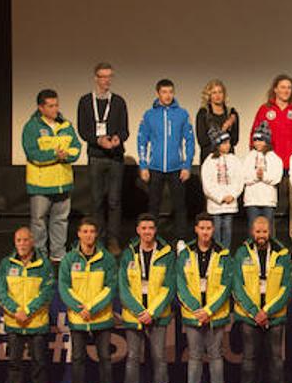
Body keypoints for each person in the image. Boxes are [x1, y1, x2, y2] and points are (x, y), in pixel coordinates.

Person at [117, 214, 175, 383]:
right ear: (138, 230)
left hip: (157, 315)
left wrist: (152, 312)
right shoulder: (128, 253)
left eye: (151, 228)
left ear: (155, 230)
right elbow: (123, 286)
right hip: (134, 315)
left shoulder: (166, 253)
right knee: (133, 357)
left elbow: (169, 287)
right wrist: (139, 310)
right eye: (144, 228)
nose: (147, 231)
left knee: (158, 357)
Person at [232, 216, 292, 383]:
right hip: (250, 316)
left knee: (276, 359)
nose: (261, 236)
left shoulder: (282, 253)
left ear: (270, 232)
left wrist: (267, 311)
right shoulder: (242, 252)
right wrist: (254, 311)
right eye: (258, 232)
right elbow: (237, 285)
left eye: (264, 232)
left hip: (274, 316)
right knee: (249, 358)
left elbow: (286, 286)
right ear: (252, 232)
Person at [60, 218, 117, 383]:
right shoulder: (69, 259)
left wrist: (91, 308)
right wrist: (79, 308)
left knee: (105, 358)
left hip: (101, 317)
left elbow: (110, 287)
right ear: (78, 234)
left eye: (92, 231)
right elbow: (64, 286)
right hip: (78, 319)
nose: (88, 235)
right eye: (85, 231)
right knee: (77, 358)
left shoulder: (107, 258)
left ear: (96, 234)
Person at [177, 213, 233, 383]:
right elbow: (181, 285)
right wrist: (196, 309)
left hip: (215, 315)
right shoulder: (185, 254)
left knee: (216, 355)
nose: (205, 232)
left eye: (209, 229)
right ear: (196, 229)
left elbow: (226, 286)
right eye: (202, 228)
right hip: (193, 315)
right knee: (194, 356)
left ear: (213, 230)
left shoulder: (223, 254)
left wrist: (208, 310)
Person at [23, 88, 83, 263]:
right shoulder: (32, 127)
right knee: (39, 221)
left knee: (61, 219)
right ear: (41, 108)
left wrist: (67, 156)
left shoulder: (65, 125)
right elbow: (33, 153)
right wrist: (55, 155)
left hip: (63, 182)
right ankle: (40, 255)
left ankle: (57, 254)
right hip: (40, 184)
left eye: (56, 105)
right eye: (50, 106)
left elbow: (76, 148)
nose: (55, 109)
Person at [0, 227, 55, 383]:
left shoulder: (44, 264)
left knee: (38, 361)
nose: (22, 244)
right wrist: (16, 310)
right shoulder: (6, 264)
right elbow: (1, 291)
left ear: (32, 241)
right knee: (14, 362)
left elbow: (47, 292)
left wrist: (28, 311)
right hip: (14, 321)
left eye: (25, 240)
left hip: (36, 322)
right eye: (18, 240)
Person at [76, 62, 129, 254]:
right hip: (96, 156)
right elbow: (83, 130)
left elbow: (125, 130)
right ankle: (96, 240)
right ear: (96, 78)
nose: (107, 80)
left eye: (109, 76)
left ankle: (113, 239)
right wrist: (98, 140)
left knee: (114, 201)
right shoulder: (85, 101)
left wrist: (117, 139)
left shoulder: (118, 101)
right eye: (103, 76)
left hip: (115, 157)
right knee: (97, 200)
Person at [137, 79, 195, 243]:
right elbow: (142, 140)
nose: (167, 95)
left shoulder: (182, 114)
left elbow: (190, 141)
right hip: (155, 167)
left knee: (180, 206)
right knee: (153, 205)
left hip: (176, 168)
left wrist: (187, 165)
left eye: (170, 92)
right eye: (164, 92)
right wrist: (143, 165)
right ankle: (151, 239)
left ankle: (181, 240)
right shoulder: (149, 115)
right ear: (158, 93)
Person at [251, 74, 292, 236]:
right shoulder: (265, 110)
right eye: (282, 87)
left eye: (289, 87)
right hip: (270, 165)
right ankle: (266, 238)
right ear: (275, 89)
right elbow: (255, 136)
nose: (286, 90)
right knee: (267, 204)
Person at [200, 129, 243, 248]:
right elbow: (207, 184)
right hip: (215, 205)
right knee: (216, 229)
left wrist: (232, 195)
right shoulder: (209, 161)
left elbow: (239, 180)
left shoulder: (234, 160)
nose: (228, 145)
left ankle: (226, 253)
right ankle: (217, 252)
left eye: (228, 142)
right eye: (224, 143)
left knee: (228, 229)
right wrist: (220, 197)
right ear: (217, 145)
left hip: (230, 203)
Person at [243, 122, 284, 237]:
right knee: (253, 228)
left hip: (268, 200)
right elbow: (245, 177)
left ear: (267, 141)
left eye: (261, 140)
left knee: (268, 228)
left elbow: (276, 177)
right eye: (255, 140)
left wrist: (263, 176)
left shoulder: (274, 158)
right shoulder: (249, 157)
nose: (258, 143)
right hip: (252, 200)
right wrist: (256, 176)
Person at [195, 78, 239, 163]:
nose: (217, 95)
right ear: (209, 95)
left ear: (224, 94)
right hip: (209, 159)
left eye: (220, 92)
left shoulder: (232, 113)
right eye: (214, 93)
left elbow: (234, 140)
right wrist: (223, 131)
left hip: (228, 159)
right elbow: (202, 141)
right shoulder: (203, 113)